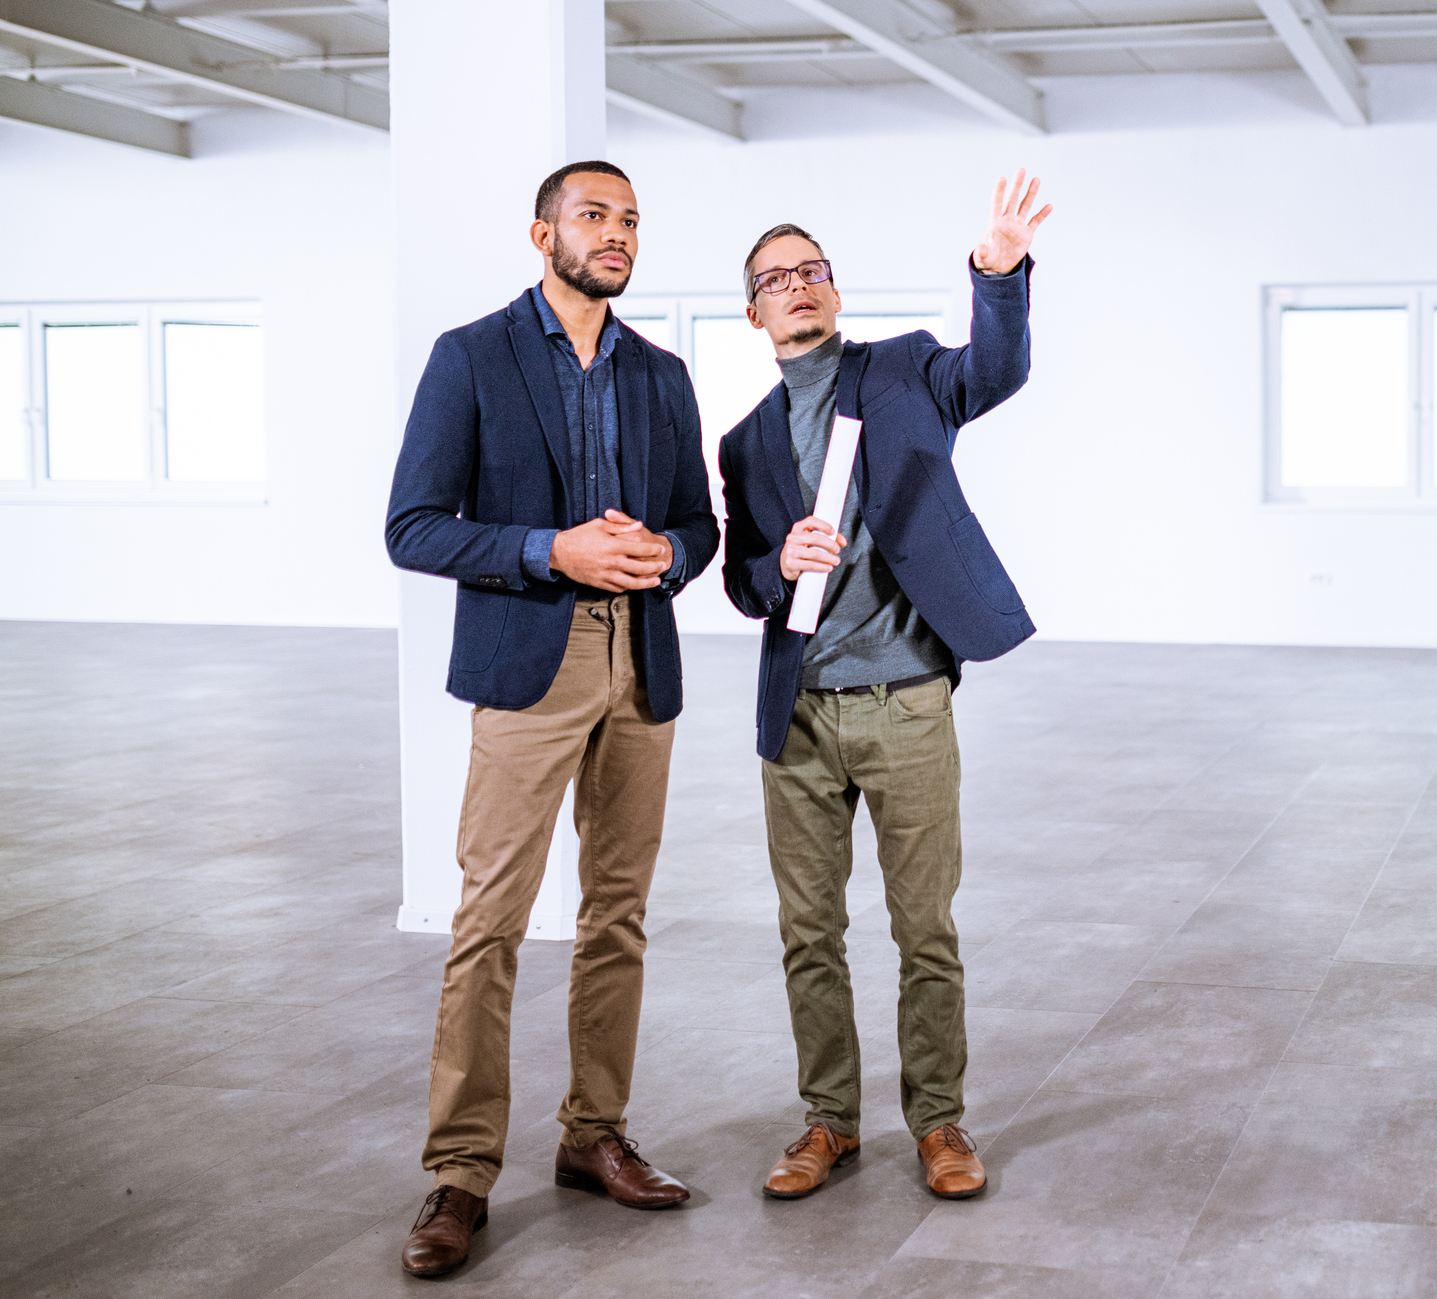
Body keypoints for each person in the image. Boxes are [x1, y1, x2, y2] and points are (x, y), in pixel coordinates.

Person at [383, 160, 719, 1277]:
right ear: (543, 235)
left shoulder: (662, 374)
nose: (616, 234)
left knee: (617, 915)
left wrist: (668, 552)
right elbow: (414, 527)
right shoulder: (470, 356)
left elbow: (698, 525)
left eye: (629, 220)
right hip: (531, 662)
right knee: (489, 921)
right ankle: (460, 1171)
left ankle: (594, 1133)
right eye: (593, 216)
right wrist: (550, 550)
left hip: (641, 662)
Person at [719, 171, 1052, 1202]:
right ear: (753, 312)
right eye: (775, 279)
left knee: (925, 930)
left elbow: (994, 371)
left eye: (811, 270)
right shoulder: (743, 442)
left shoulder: (903, 370)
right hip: (799, 715)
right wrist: (777, 565)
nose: (797, 285)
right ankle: (828, 1120)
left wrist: (997, 274)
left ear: (833, 288)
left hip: (905, 699)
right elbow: (740, 580)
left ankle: (938, 1121)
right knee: (807, 933)